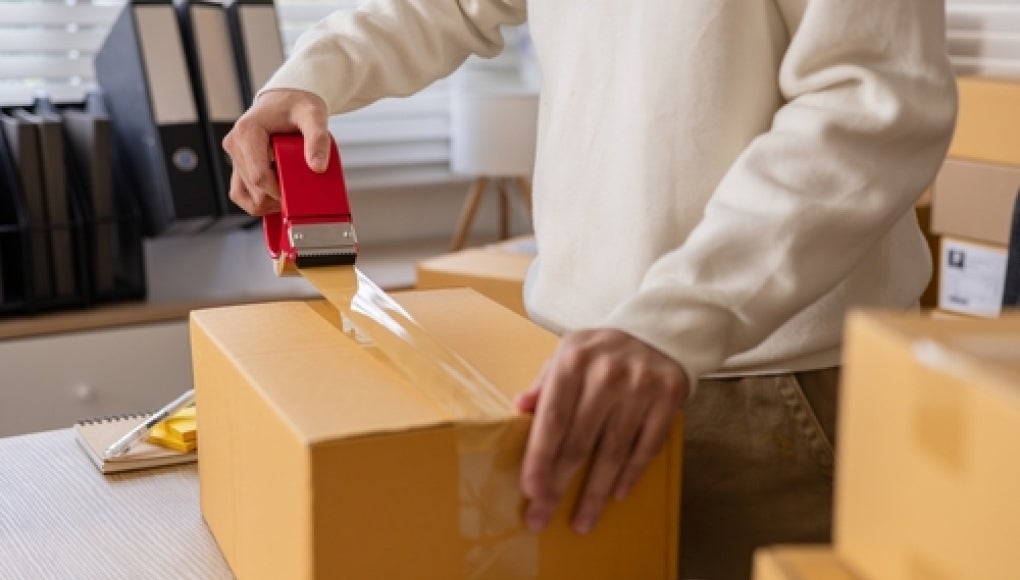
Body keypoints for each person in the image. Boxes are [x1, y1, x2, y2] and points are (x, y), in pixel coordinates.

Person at [223, 1, 957, 578]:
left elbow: (877, 105)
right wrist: (311, 74)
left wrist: (674, 321)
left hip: (765, 388)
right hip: (569, 357)